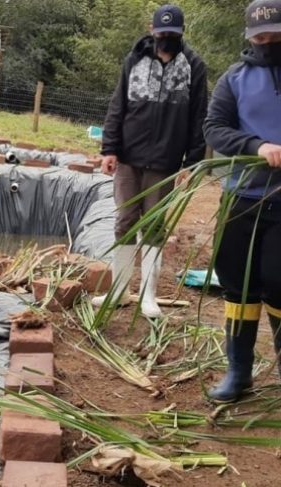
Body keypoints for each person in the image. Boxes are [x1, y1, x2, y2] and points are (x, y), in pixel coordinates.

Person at [92, 4, 208, 318]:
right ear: (152, 29)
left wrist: (192, 163)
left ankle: (148, 295)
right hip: (129, 157)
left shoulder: (194, 66)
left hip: (166, 162)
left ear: (181, 34)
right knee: (125, 223)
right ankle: (119, 291)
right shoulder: (134, 60)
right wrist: (109, 149)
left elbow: (200, 118)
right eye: (162, 32)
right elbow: (118, 105)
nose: (166, 38)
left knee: (154, 226)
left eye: (173, 34)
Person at [203, 0, 281, 403]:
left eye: (276, 36)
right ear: (250, 37)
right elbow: (215, 128)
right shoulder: (235, 78)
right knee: (238, 281)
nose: (268, 43)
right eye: (261, 37)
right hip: (243, 196)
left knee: (280, 281)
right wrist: (257, 145)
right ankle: (239, 372)